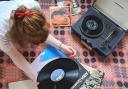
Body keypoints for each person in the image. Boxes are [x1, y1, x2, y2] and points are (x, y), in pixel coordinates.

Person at [0, 0, 76, 83]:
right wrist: (35, 77)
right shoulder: (2, 33)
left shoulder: (33, 5)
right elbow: (14, 54)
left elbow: (40, 31)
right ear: (20, 38)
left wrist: (61, 46)